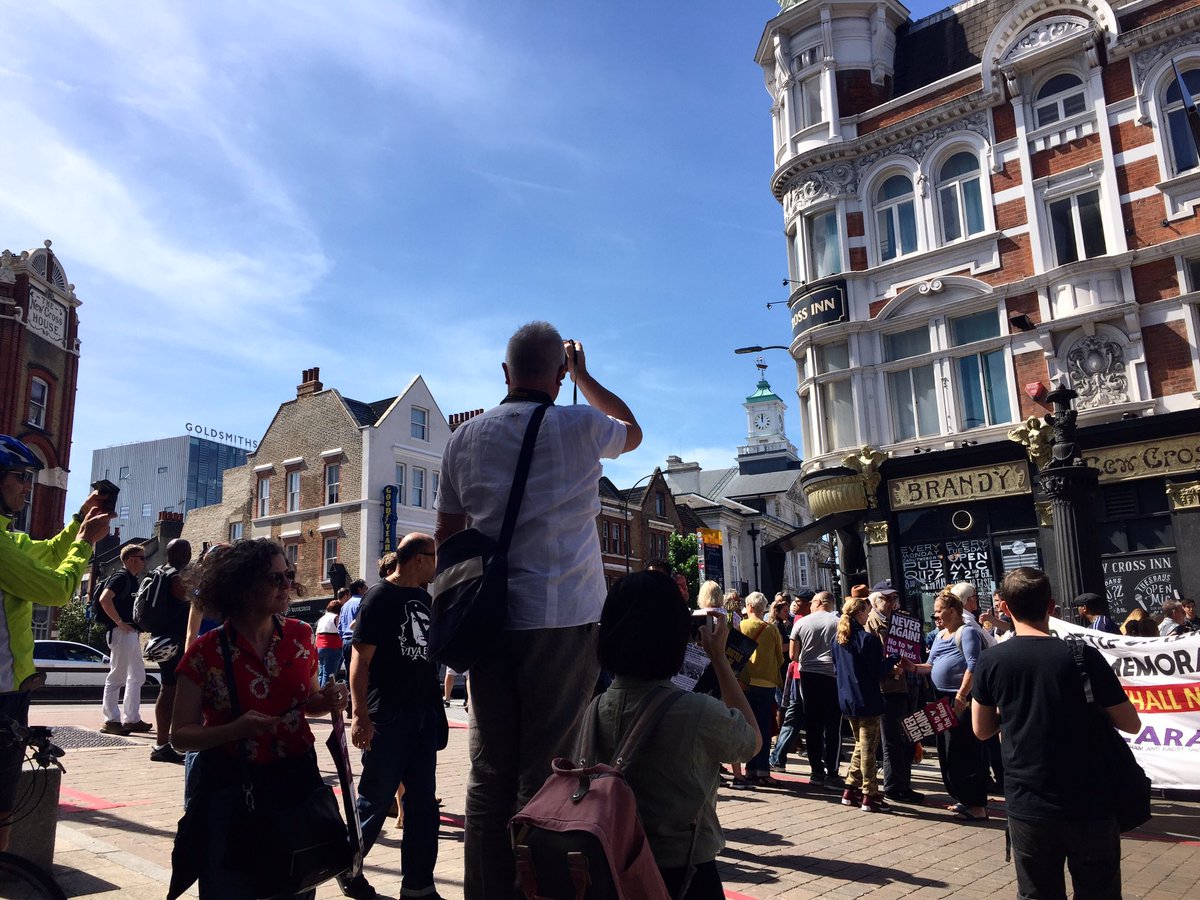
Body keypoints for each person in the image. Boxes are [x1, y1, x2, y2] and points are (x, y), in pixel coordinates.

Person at [434, 321, 640, 897]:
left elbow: (449, 537)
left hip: (485, 620)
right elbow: (634, 431)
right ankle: (536, 888)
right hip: (563, 615)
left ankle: (485, 889)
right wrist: (586, 376)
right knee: (547, 766)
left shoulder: (463, 439)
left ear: (504, 374)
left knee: (488, 770)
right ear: (557, 374)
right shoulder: (579, 423)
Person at [171, 538, 347, 899]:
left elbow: (308, 703)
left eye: (289, 575)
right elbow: (180, 735)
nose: (287, 586)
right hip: (232, 792)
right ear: (242, 586)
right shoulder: (206, 652)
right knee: (233, 886)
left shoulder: (300, 635)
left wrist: (330, 700)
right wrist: (234, 730)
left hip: (296, 785)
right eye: (275, 579)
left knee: (295, 883)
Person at [973, 567, 1141, 899]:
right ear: (1051, 607)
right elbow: (1130, 723)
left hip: (1028, 801)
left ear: (1004, 608)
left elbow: (981, 730)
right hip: (1090, 799)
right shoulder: (1082, 656)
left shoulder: (991, 661)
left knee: (1037, 893)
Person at [595, 571, 757, 898]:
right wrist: (720, 660)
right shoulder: (695, 710)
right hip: (684, 869)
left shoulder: (596, 706)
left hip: (612, 863)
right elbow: (750, 741)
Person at [0, 435, 110, 852]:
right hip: (2, 692)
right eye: (19, 478)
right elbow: (57, 588)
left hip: (9, 688)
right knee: (2, 808)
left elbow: (44, 553)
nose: (27, 487)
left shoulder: (9, 539)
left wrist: (78, 524)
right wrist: (85, 544)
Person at [344, 534, 444, 900]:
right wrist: (360, 715)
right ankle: (347, 869)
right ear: (418, 558)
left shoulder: (424, 598)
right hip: (388, 715)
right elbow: (360, 661)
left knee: (423, 803)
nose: (438, 565)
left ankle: (419, 886)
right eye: (435, 557)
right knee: (374, 799)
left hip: (422, 715)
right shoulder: (379, 598)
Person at [910, 588, 988, 821]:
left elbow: (973, 666)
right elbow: (931, 665)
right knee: (948, 751)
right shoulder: (940, 636)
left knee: (965, 751)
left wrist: (962, 696)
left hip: (959, 700)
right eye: (934, 613)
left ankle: (977, 806)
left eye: (939, 612)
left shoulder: (967, 633)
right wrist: (911, 667)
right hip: (942, 699)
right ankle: (963, 798)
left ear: (953, 611)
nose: (935, 617)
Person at [832, 591, 900, 812]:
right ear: (860, 613)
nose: (868, 614)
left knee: (861, 745)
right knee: (869, 747)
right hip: (868, 698)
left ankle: (850, 788)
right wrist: (893, 660)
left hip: (847, 698)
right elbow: (876, 670)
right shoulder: (867, 639)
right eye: (867, 611)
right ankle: (870, 794)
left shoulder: (839, 640)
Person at [865, 587, 922, 804]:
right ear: (875, 600)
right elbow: (871, 658)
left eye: (894, 598)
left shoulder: (898, 621)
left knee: (908, 737)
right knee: (893, 741)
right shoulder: (871, 623)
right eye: (885, 598)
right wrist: (890, 668)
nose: (891, 602)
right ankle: (894, 787)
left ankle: (903, 784)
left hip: (907, 684)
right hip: (888, 688)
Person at [98, 543, 152, 735]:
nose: (144, 562)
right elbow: (105, 599)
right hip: (122, 632)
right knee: (117, 676)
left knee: (137, 675)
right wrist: (119, 622)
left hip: (131, 632)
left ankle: (131, 718)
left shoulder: (131, 579)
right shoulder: (121, 577)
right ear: (130, 560)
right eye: (141, 558)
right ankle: (111, 720)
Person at [149, 538, 194, 764]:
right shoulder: (175, 576)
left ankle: (164, 743)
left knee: (169, 689)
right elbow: (192, 598)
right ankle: (165, 743)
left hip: (162, 638)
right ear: (184, 554)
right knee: (172, 691)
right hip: (174, 640)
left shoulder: (159, 571)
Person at [794, 590, 843, 786]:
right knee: (833, 725)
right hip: (831, 675)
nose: (810, 606)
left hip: (808, 675)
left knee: (813, 723)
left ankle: (816, 771)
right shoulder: (838, 622)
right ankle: (832, 771)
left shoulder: (801, 623)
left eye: (813, 602)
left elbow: (792, 655)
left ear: (820, 602)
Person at [736, 592, 783, 787]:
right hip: (766, 683)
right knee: (763, 728)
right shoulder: (770, 629)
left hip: (744, 682)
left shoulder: (741, 626)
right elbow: (779, 657)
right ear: (763, 607)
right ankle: (762, 770)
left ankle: (750, 769)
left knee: (747, 726)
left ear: (749, 606)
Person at [315, 598, 344, 687]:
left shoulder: (322, 618)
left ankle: (320, 693)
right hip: (333, 647)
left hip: (320, 647)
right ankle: (325, 697)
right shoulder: (336, 617)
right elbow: (341, 631)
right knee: (329, 676)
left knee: (321, 674)